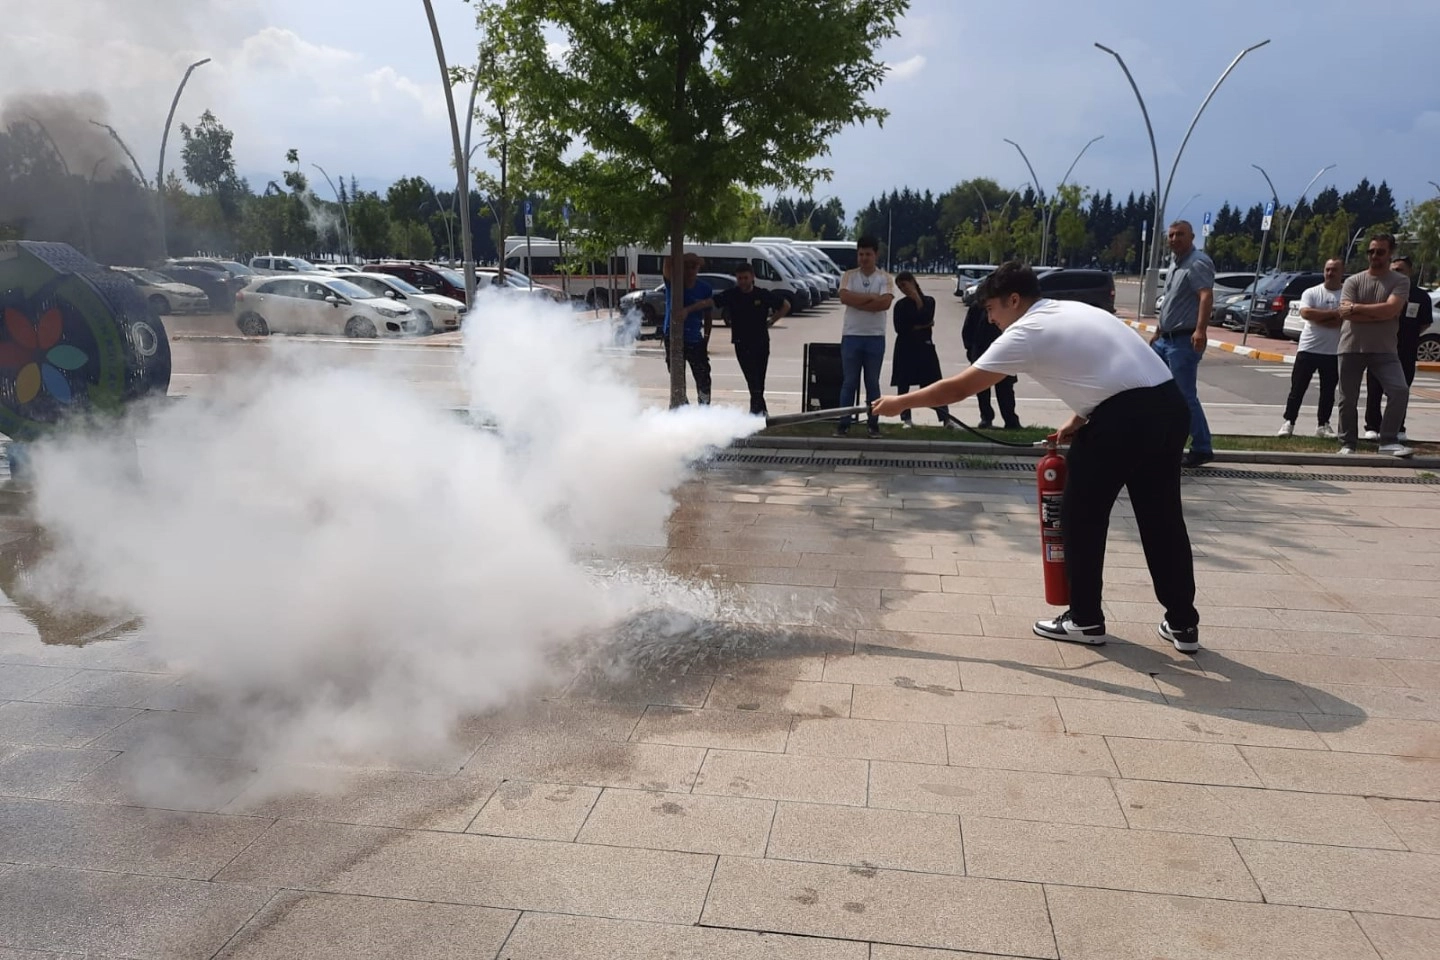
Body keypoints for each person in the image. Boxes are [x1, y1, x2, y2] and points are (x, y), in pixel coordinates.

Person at [872, 261, 1201, 653]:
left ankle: (1085, 618)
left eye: (992, 309)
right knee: (1162, 520)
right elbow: (1117, 368)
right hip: (1168, 409)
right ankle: (1183, 623)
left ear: (1013, 300)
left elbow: (959, 388)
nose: (991, 320)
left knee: (1081, 516)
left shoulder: (1026, 331)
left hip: (1123, 421)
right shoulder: (1071, 310)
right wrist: (1079, 417)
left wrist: (899, 403)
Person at [1338, 234, 1411, 457]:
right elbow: (1344, 312)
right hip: (1351, 347)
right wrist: (1378, 313)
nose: (1374, 256)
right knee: (1347, 398)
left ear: (1390, 254)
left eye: (1380, 252)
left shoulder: (1400, 281)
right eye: (1371, 251)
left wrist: (1357, 309)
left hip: (1385, 349)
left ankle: (1388, 440)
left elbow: (1391, 310)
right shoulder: (1353, 281)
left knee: (1399, 391)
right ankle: (1348, 443)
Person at [1151, 221, 1215, 467]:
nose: (1174, 239)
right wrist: (1158, 330)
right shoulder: (1175, 263)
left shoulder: (1197, 262)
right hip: (1165, 339)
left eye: (1180, 235)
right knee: (1159, 392)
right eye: (1171, 235)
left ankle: (1201, 446)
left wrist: (1200, 330)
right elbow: (1172, 302)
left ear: (1192, 236)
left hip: (1183, 340)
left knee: (1184, 396)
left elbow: (1205, 295)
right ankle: (1164, 440)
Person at [1364, 254, 1432, 442]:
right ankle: (1372, 426)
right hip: (1380, 346)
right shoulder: (1383, 290)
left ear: (1409, 272)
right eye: (1393, 270)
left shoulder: (1420, 296)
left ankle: (1397, 427)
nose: (1396, 273)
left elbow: (1424, 324)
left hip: (1405, 352)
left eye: (1400, 270)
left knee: (1401, 391)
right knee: (1374, 389)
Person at [1277, 258, 1343, 439]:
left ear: (1341, 271)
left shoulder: (1346, 294)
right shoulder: (1312, 292)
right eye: (1328, 269)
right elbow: (1306, 313)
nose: (1330, 273)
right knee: (1297, 388)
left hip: (1333, 351)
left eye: (1334, 270)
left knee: (1328, 392)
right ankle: (1289, 422)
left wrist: (1321, 316)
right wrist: (1333, 314)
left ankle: (1323, 425)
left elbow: (1344, 320)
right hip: (1308, 348)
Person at [712, 263, 789, 416]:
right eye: (740, 278)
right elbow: (710, 302)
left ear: (752, 277)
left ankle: (758, 411)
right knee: (752, 378)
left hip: (761, 342)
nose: (743, 281)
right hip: (741, 343)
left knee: (760, 379)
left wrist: (772, 321)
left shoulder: (762, 294)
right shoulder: (732, 294)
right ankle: (757, 412)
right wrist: (688, 308)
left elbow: (785, 305)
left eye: (746, 278)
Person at [835, 236, 892, 438]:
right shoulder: (848, 276)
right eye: (861, 254)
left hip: (875, 337)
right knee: (849, 382)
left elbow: (884, 303)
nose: (864, 258)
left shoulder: (884, 278)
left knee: (872, 383)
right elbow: (844, 297)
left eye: (868, 254)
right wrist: (870, 299)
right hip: (851, 336)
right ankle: (844, 423)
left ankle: (873, 424)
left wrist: (857, 301)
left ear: (875, 254)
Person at [889, 272, 954, 429]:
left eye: (904, 285)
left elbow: (926, 317)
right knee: (904, 384)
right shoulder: (900, 305)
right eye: (900, 287)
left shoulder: (929, 301)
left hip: (925, 347)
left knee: (935, 383)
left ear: (912, 282)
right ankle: (906, 418)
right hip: (905, 347)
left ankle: (945, 418)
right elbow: (901, 328)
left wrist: (917, 300)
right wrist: (920, 325)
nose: (903, 289)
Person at [660, 252, 715, 405]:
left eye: (694, 266)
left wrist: (706, 338)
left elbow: (708, 314)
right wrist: (680, 259)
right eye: (687, 266)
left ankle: (704, 405)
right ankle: (681, 405)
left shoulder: (704, 288)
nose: (690, 270)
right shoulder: (674, 283)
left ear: (698, 268)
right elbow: (667, 262)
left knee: (703, 375)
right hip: (673, 337)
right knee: (677, 376)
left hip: (695, 339)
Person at [962, 299, 1022, 429]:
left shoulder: (1007, 305)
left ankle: (1010, 420)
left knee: (1006, 388)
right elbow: (968, 330)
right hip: (981, 352)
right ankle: (986, 418)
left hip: (1005, 352)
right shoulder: (977, 306)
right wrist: (970, 350)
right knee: (982, 389)